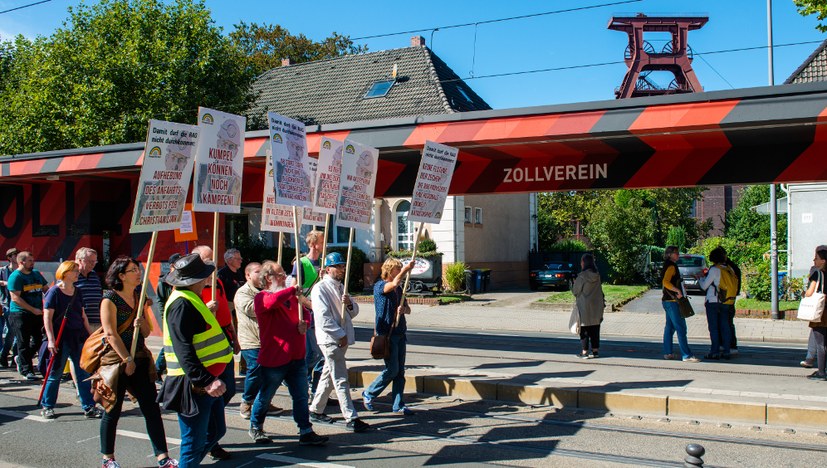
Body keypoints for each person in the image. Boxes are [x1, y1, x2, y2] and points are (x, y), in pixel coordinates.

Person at [98, 256, 176, 468]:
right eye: (133, 270)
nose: (138, 272)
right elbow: (111, 333)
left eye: (137, 269)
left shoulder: (138, 296)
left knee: (151, 409)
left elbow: (148, 331)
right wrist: (126, 358)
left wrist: (140, 322)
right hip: (116, 360)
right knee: (112, 410)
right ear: (121, 275)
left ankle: (163, 456)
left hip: (140, 358)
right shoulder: (109, 299)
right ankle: (108, 458)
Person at [157, 254, 232, 467]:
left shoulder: (190, 299)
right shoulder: (182, 304)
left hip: (205, 380)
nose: (208, 279)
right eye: (204, 276)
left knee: (216, 431)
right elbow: (184, 350)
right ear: (197, 280)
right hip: (194, 384)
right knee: (193, 442)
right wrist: (207, 380)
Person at [248, 261, 328, 445]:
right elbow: (271, 302)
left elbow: (306, 314)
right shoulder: (262, 297)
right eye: (280, 274)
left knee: (300, 395)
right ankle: (256, 426)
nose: (285, 277)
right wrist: (292, 290)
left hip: (296, 356)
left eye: (284, 273)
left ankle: (305, 430)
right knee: (266, 394)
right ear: (268, 279)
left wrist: (305, 324)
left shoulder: (291, 297)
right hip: (275, 359)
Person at [307, 252, 369, 432]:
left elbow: (353, 311)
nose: (342, 269)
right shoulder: (320, 288)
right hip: (331, 340)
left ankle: (316, 410)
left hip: (341, 339)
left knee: (328, 375)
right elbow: (323, 318)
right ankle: (351, 417)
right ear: (328, 269)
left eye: (343, 266)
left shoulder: (341, 287)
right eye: (338, 266)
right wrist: (339, 334)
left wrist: (349, 303)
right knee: (341, 378)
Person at [191, 245, 237, 462]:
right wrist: (204, 311)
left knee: (228, 390)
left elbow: (227, 313)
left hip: (223, 346)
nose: (211, 264)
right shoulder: (191, 288)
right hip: (205, 352)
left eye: (212, 260)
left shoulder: (217, 282)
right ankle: (206, 444)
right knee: (212, 398)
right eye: (206, 260)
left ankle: (210, 436)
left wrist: (234, 337)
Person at [40, 260, 102, 419]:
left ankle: (89, 406)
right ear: (65, 273)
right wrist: (51, 340)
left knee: (83, 373)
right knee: (55, 374)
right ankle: (47, 406)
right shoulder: (54, 292)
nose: (77, 273)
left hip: (78, 336)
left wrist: (91, 336)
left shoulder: (77, 291)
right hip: (61, 338)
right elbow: (47, 317)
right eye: (74, 271)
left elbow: (83, 316)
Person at [362, 258, 415, 414]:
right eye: (397, 269)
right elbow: (392, 285)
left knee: (400, 372)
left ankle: (398, 404)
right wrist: (406, 270)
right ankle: (369, 392)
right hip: (387, 334)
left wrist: (404, 310)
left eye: (400, 269)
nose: (399, 271)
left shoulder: (400, 290)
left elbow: (408, 309)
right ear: (389, 270)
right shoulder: (380, 286)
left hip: (400, 333)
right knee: (392, 369)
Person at [291, 230, 324, 396]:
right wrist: (310, 305)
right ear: (312, 244)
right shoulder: (302, 263)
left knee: (321, 353)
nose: (324, 244)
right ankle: (301, 379)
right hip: (307, 311)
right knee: (313, 353)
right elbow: (296, 290)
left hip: (321, 312)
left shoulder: (324, 263)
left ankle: (315, 387)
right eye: (321, 241)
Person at [7, 251, 49, 379]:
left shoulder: (36, 274)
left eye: (32, 260)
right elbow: (15, 298)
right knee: (23, 341)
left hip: (37, 312)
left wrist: (48, 304)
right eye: (30, 260)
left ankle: (21, 359)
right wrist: (32, 309)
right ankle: (27, 370)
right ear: (21, 262)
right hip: (20, 313)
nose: (33, 263)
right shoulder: (16, 277)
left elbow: (46, 290)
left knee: (39, 340)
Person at [660, 246, 700, 363]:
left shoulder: (667, 265)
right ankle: (686, 355)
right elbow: (666, 282)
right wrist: (677, 290)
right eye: (676, 253)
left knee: (670, 327)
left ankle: (668, 352)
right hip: (673, 301)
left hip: (667, 300)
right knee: (681, 328)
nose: (678, 254)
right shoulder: (671, 266)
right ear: (669, 254)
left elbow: (667, 282)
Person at [698, 247, 733, 360]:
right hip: (726, 301)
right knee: (725, 326)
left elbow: (704, 286)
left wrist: (699, 279)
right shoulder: (728, 269)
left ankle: (714, 351)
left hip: (713, 301)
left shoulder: (714, 270)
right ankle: (727, 351)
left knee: (714, 328)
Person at [571, 253, 605, 359]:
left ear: (584, 263)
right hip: (596, 305)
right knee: (595, 328)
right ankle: (595, 351)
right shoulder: (597, 275)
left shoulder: (582, 276)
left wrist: (573, 282)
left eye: (581, 261)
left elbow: (576, 291)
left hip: (584, 306)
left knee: (584, 329)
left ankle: (584, 352)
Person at [154, 253, 181, 380]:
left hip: (179, 315)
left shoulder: (182, 279)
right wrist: (163, 316)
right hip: (169, 316)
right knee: (169, 344)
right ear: (171, 266)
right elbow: (160, 301)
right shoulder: (164, 282)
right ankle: (157, 369)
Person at [801, 244, 827, 368]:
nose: (814, 260)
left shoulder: (817, 274)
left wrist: (804, 293)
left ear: (823, 260)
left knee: (821, 344)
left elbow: (810, 292)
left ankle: (821, 371)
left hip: (821, 313)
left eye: (816, 258)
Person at [75, 247, 104, 329]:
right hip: (81, 322)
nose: (93, 264)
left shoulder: (94, 275)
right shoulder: (71, 275)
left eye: (95, 261)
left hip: (98, 321)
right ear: (80, 260)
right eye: (90, 261)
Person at [0, 247, 19, 368]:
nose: (17, 256)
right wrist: (9, 283)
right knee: (11, 332)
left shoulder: (22, 271)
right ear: (9, 258)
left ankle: (15, 358)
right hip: (7, 305)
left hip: (20, 305)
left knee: (19, 333)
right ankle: (4, 356)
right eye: (14, 255)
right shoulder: (3, 271)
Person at [724, 256, 742, 356]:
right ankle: (731, 345)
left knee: (725, 324)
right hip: (731, 298)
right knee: (729, 323)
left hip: (724, 299)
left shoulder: (725, 269)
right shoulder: (733, 267)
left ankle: (729, 345)